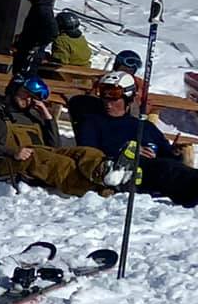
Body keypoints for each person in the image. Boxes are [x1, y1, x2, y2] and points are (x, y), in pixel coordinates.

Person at [0, 75, 125, 196]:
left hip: (38, 158)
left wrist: (48, 118)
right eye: (26, 94)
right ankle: (98, 189)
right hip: (7, 162)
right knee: (61, 163)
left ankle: (108, 171)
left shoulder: (32, 114)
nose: (29, 100)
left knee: (85, 152)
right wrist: (13, 152)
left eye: (34, 98)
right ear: (13, 89)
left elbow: (54, 147)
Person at [70, 72, 198, 206]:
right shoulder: (92, 123)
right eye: (104, 96)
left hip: (159, 173)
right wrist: (125, 150)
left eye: (114, 98)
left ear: (128, 99)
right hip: (125, 174)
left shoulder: (144, 126)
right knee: (166, 169)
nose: (108, 103)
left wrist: (174, 152)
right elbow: (88, 152)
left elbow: (168, 156)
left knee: (172, 169)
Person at [12, 0, 59, 71]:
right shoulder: (38, 7)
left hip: (31, 53)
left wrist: (36, 45)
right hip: (25, 50)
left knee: (22, 80)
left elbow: (53, 32)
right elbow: (33, 29)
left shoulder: (43, 9)